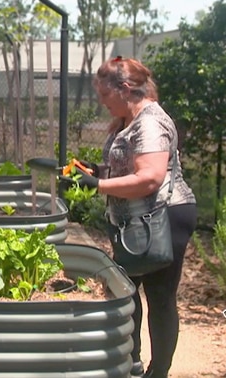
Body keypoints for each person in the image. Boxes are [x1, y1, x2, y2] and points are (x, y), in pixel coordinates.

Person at [67, 56, 197, 378]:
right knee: (124, 289)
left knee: (160, 296)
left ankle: (158, 371)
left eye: (105, 95)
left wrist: (97, 185)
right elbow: (128, 167)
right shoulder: (128, 119)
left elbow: (150, 178)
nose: (102, 103)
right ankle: (131, 362)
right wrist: (95, 172)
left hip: (163, 217)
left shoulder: (150, 121)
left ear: (125, 89)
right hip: (134, 219)